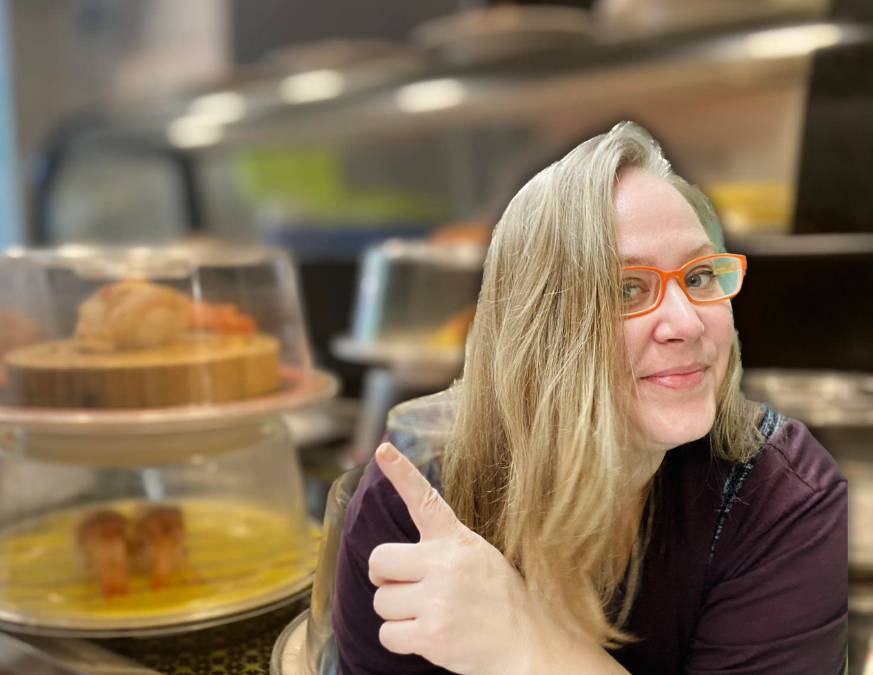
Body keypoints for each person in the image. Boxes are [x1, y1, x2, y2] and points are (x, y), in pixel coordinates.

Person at [331, 122, 847, 675]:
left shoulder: (784, 495)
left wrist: (527, 645)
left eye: (698, 276)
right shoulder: (418, 493)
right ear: (535, 327)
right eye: (628, 288)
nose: (687, 322)